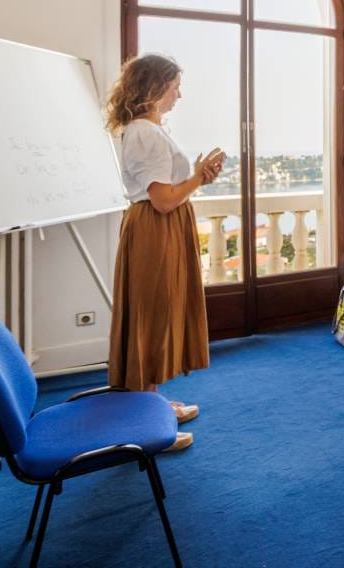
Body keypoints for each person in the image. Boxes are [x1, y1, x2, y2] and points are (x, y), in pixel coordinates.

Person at [105, 54, 225, 453]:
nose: (179, 95)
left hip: (159, 229)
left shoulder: (145, 131)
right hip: (157, 229)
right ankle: (146, 424)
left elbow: (165, 193)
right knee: (153, 318)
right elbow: (163, 200)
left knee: (155, 314)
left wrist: (194, 177)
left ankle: (151, 403)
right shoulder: (145, 133)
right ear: (156, 88)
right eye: (174, 86)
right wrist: (198, 178)